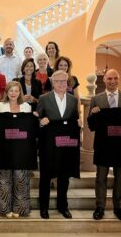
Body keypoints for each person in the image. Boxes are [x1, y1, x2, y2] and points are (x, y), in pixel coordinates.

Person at [89, 69, 121, 222]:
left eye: (115, 78)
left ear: (119, 80)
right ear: (104, 80)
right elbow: (90, 122)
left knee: (120, 176)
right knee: (101, 176)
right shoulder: (96, 99)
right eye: (109, 78)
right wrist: (93, 113)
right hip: (103, 144)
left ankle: (119, 207)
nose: (112, 81)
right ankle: (100, 207)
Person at [37, 70, 82, 219]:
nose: (62, 84)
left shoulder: (73, 100)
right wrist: (40, 122)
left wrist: (79, 123)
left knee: (65, 177)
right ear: (52, 82)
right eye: (58, 81)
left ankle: (63, 206)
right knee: (46, 177)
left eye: (64, 81)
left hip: (66, 146)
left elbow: (75, 119)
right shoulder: (43, 99)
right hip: (48, 146)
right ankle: (44, 207)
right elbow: (37, 119)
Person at [0, 81, 35, 218]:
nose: (13, 93)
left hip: (22, 150)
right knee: (3, 180)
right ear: (7, 92)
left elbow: (31, 127)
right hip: (4, 149)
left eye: (16, 91)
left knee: (21, 178)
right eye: (11, 90)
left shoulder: (26, 107)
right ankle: (4, 208)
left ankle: (20, 208)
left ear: (19, 92)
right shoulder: (0, 106)